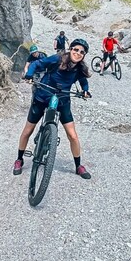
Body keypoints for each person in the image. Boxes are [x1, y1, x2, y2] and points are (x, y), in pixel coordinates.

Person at [13, 39, 93, 179]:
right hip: (42, 97)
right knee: (27, 131)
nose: (78, 53)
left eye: (82, 52)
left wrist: (85, 90)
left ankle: (78, 166)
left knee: (73, 135)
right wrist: (30, 75)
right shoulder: (57, 59)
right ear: (70, 49)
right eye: (75, 49)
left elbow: (83, 81)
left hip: (63, 101)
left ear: (84, 55)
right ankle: (19, 159)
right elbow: (37, 64)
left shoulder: (79, 68)